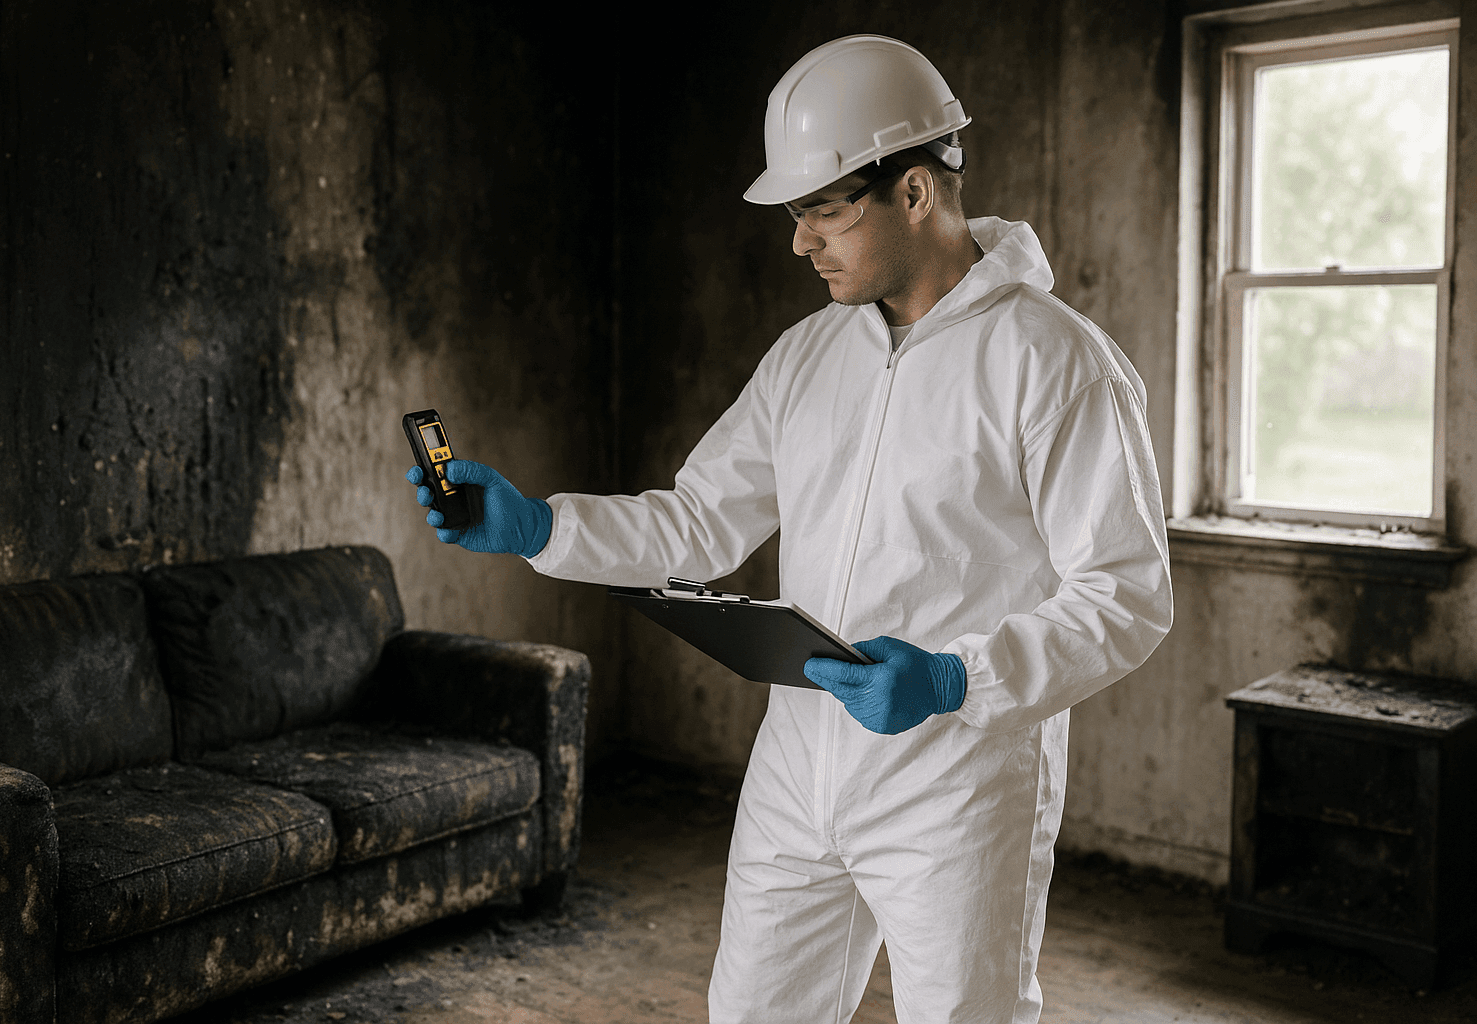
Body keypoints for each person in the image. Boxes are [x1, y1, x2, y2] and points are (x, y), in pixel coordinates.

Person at [406, 34, 1172, 1024]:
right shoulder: (807, 355)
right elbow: (699, 520)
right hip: (798, 766)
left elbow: (1127, 594)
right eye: (796, 213)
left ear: (914, 191)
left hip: (958, 779)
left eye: (822, 209)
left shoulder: (1054, 360)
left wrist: (955, 677)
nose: (801, 240)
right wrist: (540, 527)